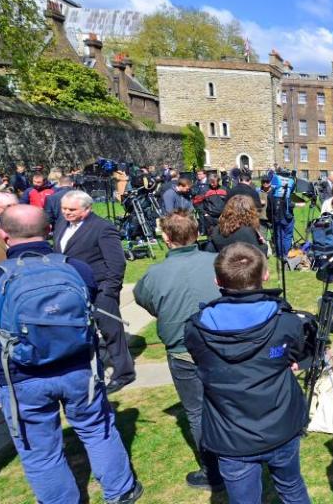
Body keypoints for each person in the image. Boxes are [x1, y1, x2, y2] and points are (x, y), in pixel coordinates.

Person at [0, 204, 142, 504]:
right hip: (79, 367)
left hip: (21, 376)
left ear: (3, 234)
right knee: (98, 430)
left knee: (40, 451)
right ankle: (121, 491)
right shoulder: (76, 268)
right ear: (49, 230)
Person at [185, 242, 313, 502]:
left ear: (217, 280)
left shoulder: (196, 329)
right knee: (292, 488)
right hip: (270, 427)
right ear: (265, 275)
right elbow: (295, 356)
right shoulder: (285, 323)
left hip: (236, 436)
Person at [133, 210, 223, 490]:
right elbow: (145, 300)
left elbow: (147, 301)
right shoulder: (217, 263)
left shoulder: (157, 273)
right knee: (222, 405)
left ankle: (215, 471)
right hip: (216, 350)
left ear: (166, 238)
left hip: (188, 351)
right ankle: (223, 466)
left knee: (197, 412)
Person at [55, 190, 135, 393]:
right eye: (64, 208)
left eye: (71, 209)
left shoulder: (102, 228)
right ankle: (92, 370)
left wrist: (109, 290)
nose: (66, 212)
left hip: (100, 289)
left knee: (111, 330)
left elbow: (116, 263)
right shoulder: (61, 225)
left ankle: (123, 372)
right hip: (73, 290)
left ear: (87, 208)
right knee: (82, 331)